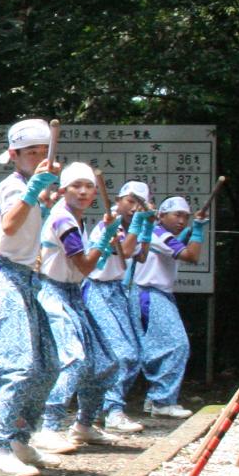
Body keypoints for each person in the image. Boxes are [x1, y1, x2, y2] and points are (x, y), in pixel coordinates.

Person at [0, 118, 62, 476]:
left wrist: (41, 196)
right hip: (2, 275)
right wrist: (33, 191)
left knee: (47, 364)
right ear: (14, 155)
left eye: (43, 152)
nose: (38, 158)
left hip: (27, 279)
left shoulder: (34, 191)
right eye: (31, 153)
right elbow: (8, 225)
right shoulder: (13, 187)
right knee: (15, 363)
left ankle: (20, 437)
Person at [35, 163, 127, 450]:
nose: (84, 191)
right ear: (63, 190)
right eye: (76, 185)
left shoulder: (77, 219)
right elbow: (85, 265)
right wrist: (103, 239)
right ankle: (48, 427)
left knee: (105, 361)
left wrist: (103, 241)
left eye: (88, 186)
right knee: (73, 359)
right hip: (53, 293)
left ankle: (84, 425)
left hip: (74, 294)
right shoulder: (63, 220)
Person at [131, 194, 208, 419]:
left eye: (186, 216)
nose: (182, 221)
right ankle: (162, 401)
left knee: (161, 346)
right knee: (177, 344)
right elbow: (191, 255)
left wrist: (188, 232)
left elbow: (175, 245)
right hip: (150, 294)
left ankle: (156, 399)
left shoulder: (160, 235)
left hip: (157, 294)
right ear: (161, 215)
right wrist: (199, 229)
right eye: (177, 215)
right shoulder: (159, 235)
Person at [91, 181, 152, 434]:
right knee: (120, 352)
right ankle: (112, 410)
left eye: (140, 202)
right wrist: (139, 224)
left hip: (118, 292)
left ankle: (95, 412)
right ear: (119, 200)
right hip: (97, 290)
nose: (134, 207)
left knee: (135, 353)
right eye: (131, 201)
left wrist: (146, 227)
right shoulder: (110, 223)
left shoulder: (131, 228)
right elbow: (125, 252)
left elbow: (141, 256)